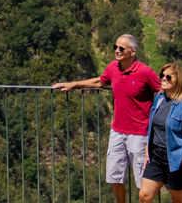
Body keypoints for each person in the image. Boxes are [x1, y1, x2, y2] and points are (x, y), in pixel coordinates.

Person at [52, 35, 162, 203]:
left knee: (142, 180)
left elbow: (162, 90)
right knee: (115, 176)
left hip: (139, 134)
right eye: (115, 47)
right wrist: (73, 84)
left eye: (121, 48)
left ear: (133, 52)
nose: (117, 51)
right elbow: (100, 82)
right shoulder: (113, 68)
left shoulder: (145, 72)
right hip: (117, 131)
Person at [139, 63, 182, 203]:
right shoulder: (159, 99)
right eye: (162, 76)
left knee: (178, 200)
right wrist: (147, 150)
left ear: (178, 80)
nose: (163, 79)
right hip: (156, 157)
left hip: (176, 159)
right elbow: (152, 126)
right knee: (144, 195)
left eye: (168, 76)